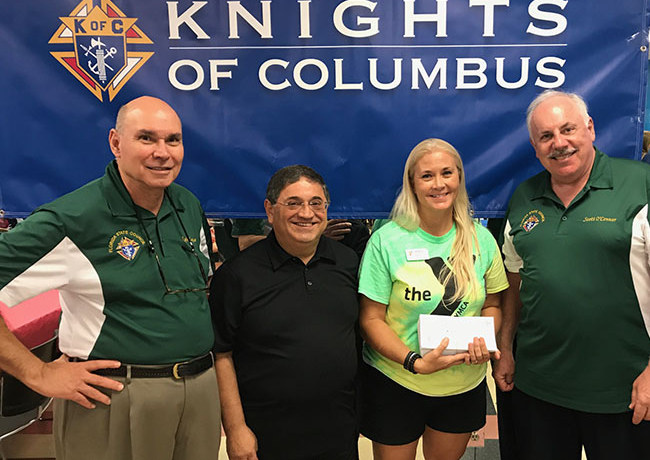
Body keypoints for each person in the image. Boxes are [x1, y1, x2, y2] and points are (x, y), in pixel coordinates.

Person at [0, 96, 220, 460]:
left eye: (173, 140)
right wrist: (36, 373)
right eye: (146, 138)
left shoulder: (186, 204)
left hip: (199, 392)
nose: (162, 153)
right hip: (117, 398)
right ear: (116, 143)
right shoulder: (72, 219)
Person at [497, 91, 650, 460]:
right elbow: (514, 279)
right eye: (546, 136)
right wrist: (506, 349)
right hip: (537, 388)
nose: (559, 143)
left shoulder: (641, 183)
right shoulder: (525, 196)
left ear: (590, 128)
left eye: (568, 129)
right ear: (534, 146)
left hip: (624, 389)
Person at [358, 138, 509, 460]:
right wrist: (414, 361)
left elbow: (494, 305)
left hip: (461, 386)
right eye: (427, 176)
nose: (438, 184)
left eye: (447, 173)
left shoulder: (482, 239)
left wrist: (484, 339)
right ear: (411, 184)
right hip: (397, 380)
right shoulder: (387, 240)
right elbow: (370, 318)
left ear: (459, 178)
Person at [209, 165, 360, 460]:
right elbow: (221, 354)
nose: (307, 213)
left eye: (316, 203)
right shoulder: (237, 275)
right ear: (269, 210)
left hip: (338, 430)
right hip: (265, 433)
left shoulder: (348, 263)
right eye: (293, 203)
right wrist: (236, 427)